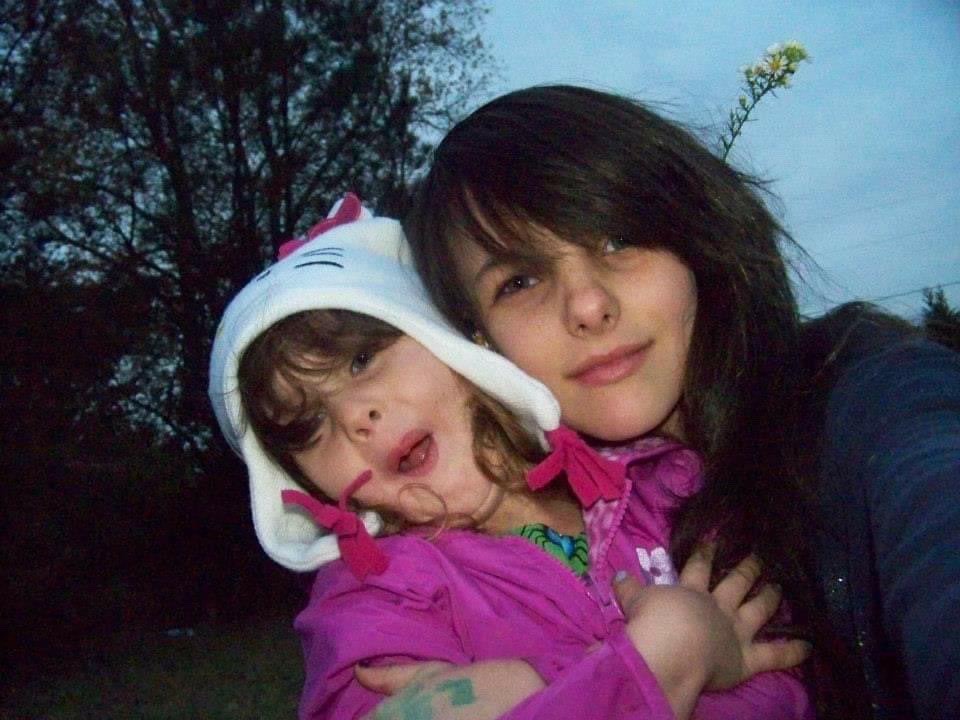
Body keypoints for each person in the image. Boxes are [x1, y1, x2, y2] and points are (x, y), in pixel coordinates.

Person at [403, 84, 960, 719]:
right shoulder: (484, 551)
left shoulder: (862, 396)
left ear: (694, 237)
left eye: (617, 239)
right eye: (520, 280)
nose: (587, 306)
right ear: (478, 341)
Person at [208, 194, 812, 719]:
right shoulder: (373, 607)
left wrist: (542, 693)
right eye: (309, 426)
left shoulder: (658, 477)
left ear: (447, 339)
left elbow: (788, 667)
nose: (354, 419)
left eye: (362, 361)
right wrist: (663, 663)